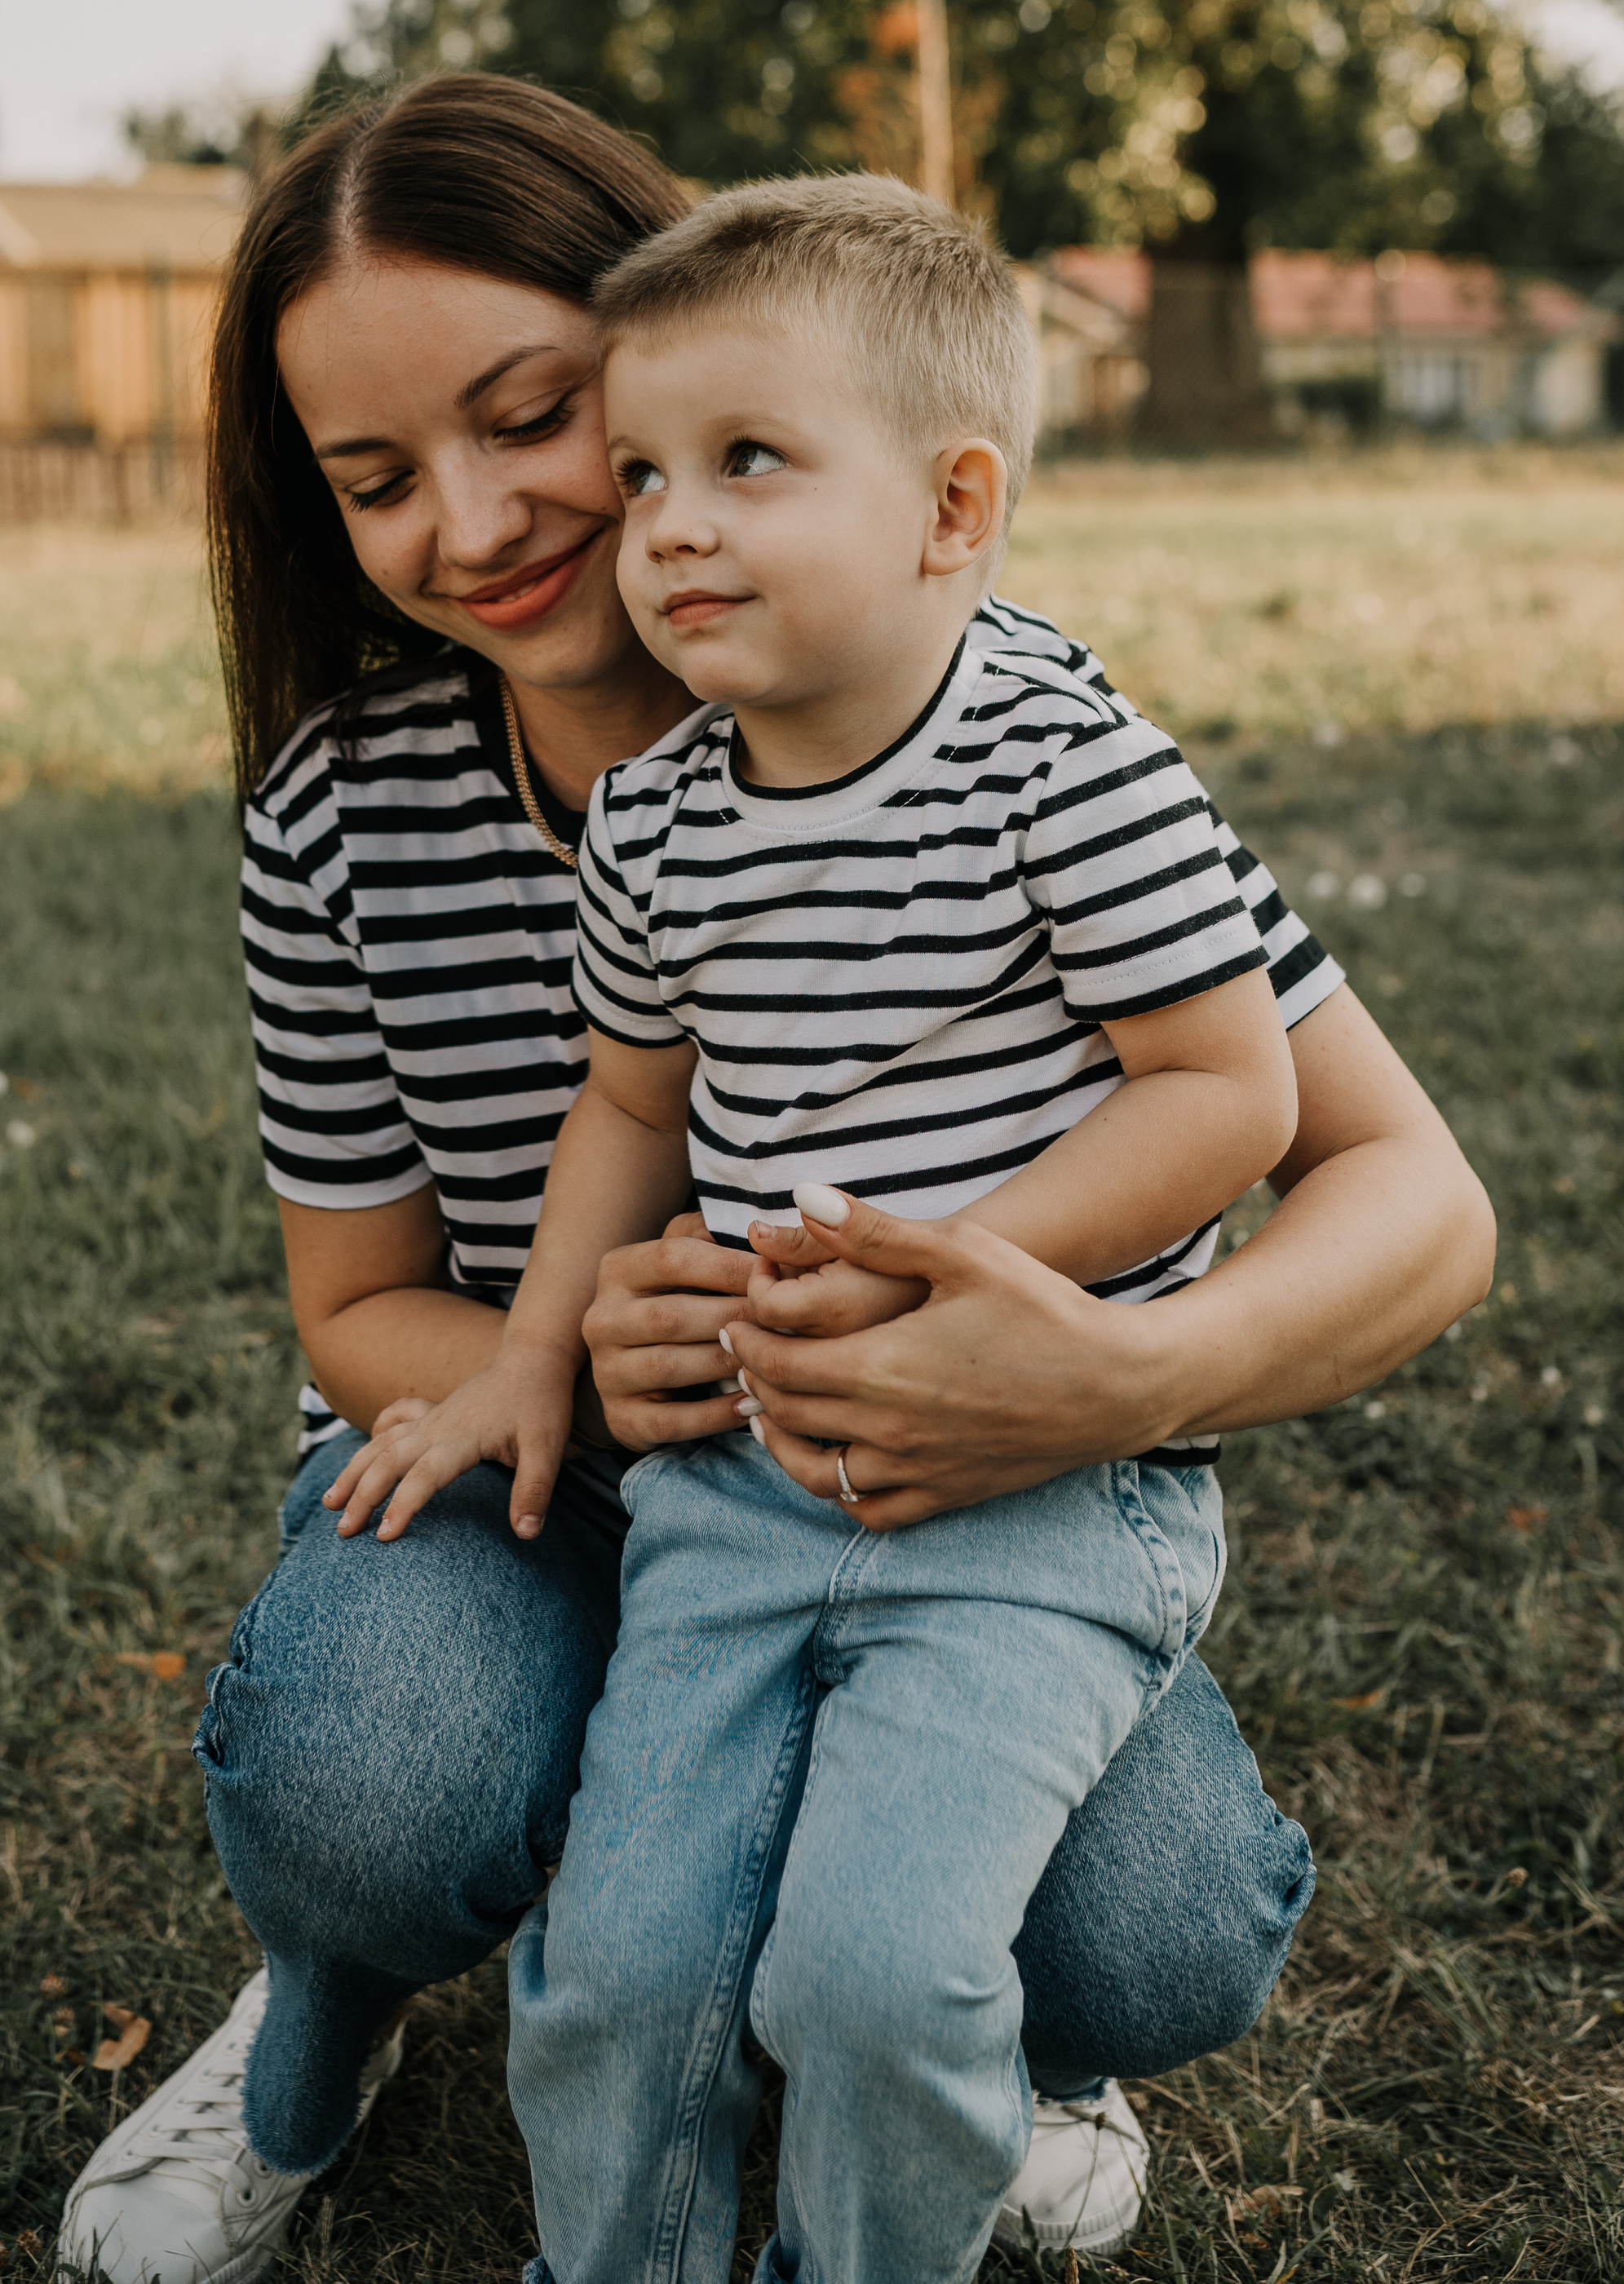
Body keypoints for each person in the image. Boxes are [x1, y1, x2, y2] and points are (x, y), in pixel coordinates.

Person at [58, 76, 1493, 2284]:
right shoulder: (343, 810)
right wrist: (592, 1351)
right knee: (380, 1777)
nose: (475, 520)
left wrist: (1106, 1379)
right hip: (534, 1487)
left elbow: (1418, 1198)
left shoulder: (995, 731)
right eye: (371, 479)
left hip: (939, 1492)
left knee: (1172, 1927)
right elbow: (354, 1312)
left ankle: (945, 2002)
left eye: (532, 416)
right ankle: (323, 2014)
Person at [321, 174, 1292, 2284]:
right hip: (740, 1494)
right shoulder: (664, 819)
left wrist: (981, 1281)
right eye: (648, 465)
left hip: (1040, 1478)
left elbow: (1234, 1091)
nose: (665, 523)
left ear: (954, 510)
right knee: (631, 1961)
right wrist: (528, 1355)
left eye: (744, 464)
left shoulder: (1063, 759)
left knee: (875, 1974)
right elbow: (627, 1103)